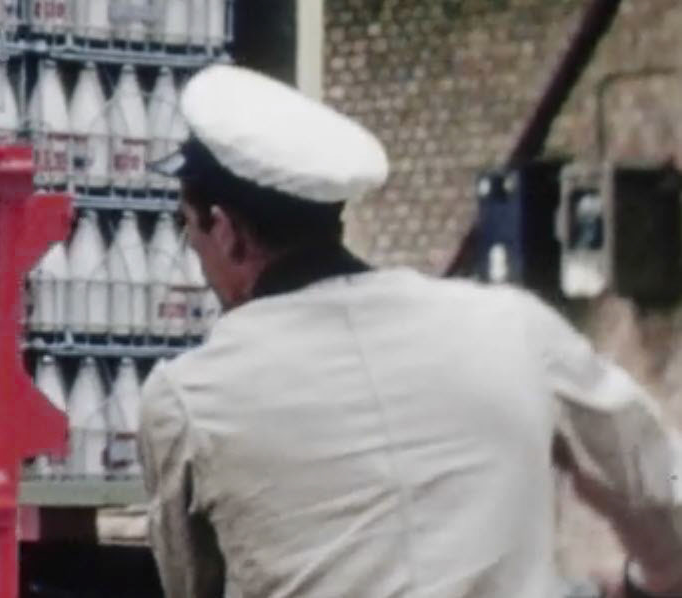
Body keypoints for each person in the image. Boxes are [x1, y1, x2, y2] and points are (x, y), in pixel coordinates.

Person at [139, 64, 682, 598]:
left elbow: (191, 585)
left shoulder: (187, 399)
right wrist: (653, 577)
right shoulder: (514, 327)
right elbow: (654, 478)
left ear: (227, 232)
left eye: (193, 234)